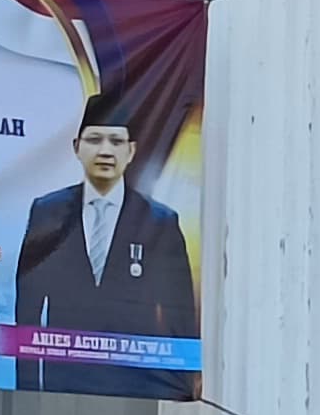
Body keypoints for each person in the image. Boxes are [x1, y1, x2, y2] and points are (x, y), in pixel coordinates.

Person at [12, 84, 199, 396]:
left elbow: (179, 311)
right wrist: (28, 383)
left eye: (116, 141)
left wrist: (183, 383)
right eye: (94, 139)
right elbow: (28, 305)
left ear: (131, 151)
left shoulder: (159, 222)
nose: (105, 151)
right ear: (77, 147)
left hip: (136, 382)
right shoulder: (48, 211)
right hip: (64, 378)